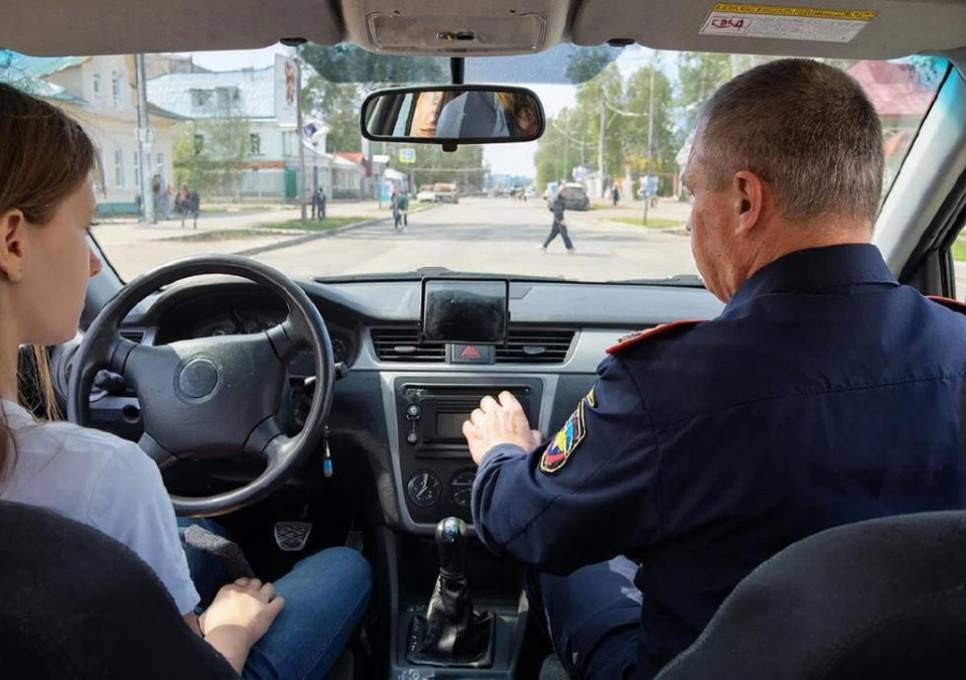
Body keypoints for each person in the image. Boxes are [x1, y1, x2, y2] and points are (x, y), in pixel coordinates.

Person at [463, 59, 966, 680]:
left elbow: (527, 523)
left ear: (746, 200)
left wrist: (500, 457)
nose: (687, 218)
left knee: (570, 560)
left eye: (695, 191)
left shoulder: (671, 382)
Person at [0, 82, 372, 679]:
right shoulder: (106, 478)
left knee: (196, 533)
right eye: (85, 228)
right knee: (344, 569)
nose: (95, 262)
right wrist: (230, 629)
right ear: (12, 242)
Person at [540, 188, 574, 253]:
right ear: (562, 192)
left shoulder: (560, 198)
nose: (567, 193)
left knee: (553, 233)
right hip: (559, 218)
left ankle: (544, 246)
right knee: (564, 233)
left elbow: (553, 209)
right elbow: (558, 211)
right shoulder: (559, 199)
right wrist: (561, 220)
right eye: (565, 192)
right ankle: (570, 248)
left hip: (557, 219)